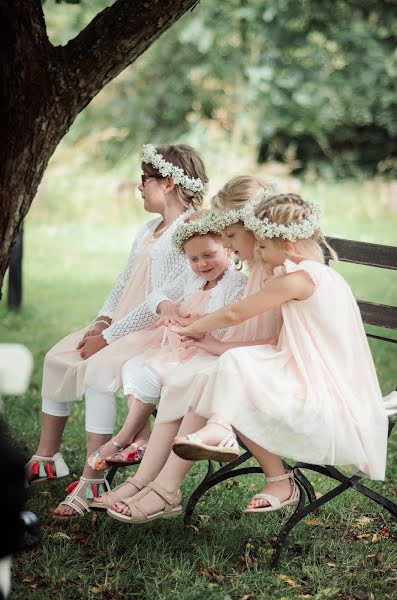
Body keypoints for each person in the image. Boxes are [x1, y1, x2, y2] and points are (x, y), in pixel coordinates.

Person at [104, 192, 389, 523]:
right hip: (295, 366)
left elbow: (235, 314)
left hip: (319, 381)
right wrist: (208, 341)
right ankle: (161, 480)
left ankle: (210, 442)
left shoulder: (298, 278)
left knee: (226, 371)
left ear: (288, 243)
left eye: (264, 246)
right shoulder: (299, 274)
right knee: (214, 372)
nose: (259, 252)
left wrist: (191, 328)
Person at [26, 143, 208, 518]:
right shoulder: (148, 229)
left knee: (99, 370)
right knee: (58, 357)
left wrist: (109, 339)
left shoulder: (188, 230)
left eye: (146, 179)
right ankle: (48, 457)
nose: (139, 186)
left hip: (154, 327)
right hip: (122, 320)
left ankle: (95, 476)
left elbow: (162, 298)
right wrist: (102, 321)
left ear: (169, 183)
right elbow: (124, 281)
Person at [93, 176, 281, 516]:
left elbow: (265, 333)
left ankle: (165, 490)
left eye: (230, 236)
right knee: (184, 378)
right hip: (236, 355)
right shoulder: (258, 266)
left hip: (258, 363)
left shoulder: (275, 273)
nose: (227, 242)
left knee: (196, 379)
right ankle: (146, 481)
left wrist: (205, 336)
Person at [87, 209, 247, 471]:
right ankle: (139, 438)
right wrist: (167, 306)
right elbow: (155, 295)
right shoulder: (192, 278)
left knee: (158, 373)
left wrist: (196, 322)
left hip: (203, 353)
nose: (202, 264)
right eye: (194, 258)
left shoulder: (235, 284)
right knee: (135, 366)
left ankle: (125, 437)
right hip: (179, 348)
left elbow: (228, 323)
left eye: (209, 255)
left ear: (227, 249)